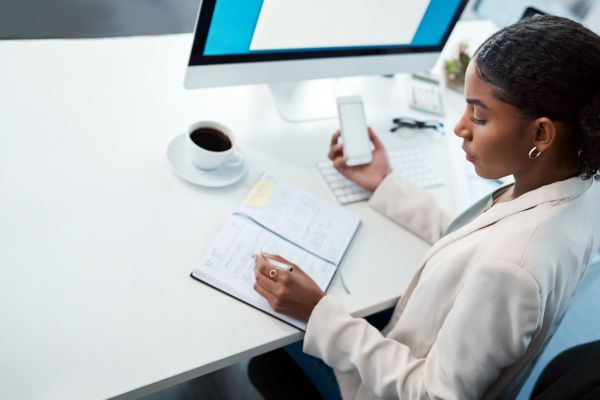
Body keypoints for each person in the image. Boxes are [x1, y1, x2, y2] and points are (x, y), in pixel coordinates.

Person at [249, 15, 600, 400]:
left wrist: (317, 312)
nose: (460, 128)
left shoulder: (511, 270)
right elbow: (478, 234)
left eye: (479, 117)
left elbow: (432, 394)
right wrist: (385, 184)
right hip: (418, 339)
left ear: (540, 133)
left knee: (267, 350)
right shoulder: (572, 192)